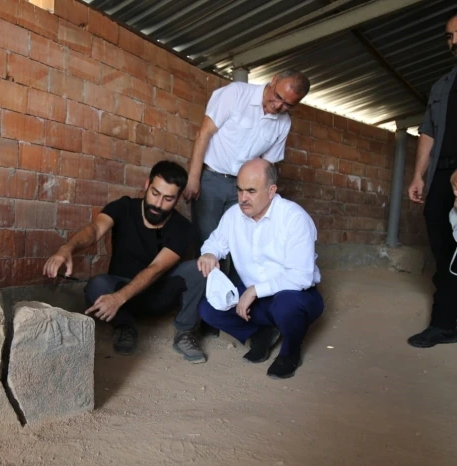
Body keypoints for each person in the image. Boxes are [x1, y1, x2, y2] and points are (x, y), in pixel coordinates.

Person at [43, 161, 207, 363]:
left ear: (177, 199)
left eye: (168, 199)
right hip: (121, 294)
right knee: (97, 285)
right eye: (155, 193)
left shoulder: (182, 227)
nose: (158, 204)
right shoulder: (124, 206)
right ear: (147, 185)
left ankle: (185, 332)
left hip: (158, 296)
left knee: (199, 268)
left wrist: (118, 298)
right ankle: (124, 326)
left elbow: (157, 268)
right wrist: (66, 248)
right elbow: (95, 229)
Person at [196, 159, 324, 379]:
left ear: (271, 190)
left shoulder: (294, 218)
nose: (243, 198)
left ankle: (289, 353)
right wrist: (209, 253)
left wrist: (254, 290)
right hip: (255, 300)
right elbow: (215, 242)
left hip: (294, 297)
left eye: (251, 191)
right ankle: (260, 334)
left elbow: (301, 277)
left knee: (287, 306)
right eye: (240, 190)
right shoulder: (234, 215)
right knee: (208, 309)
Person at [183, 69, 311, 248]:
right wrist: (194, 178)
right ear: (273, 80)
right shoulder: (236, 93)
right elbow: (204, 133)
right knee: (208, 242)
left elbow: (268, 165)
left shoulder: (284, 123)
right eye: (277, 96)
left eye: (287, 105)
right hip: (211, 180)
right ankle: (208, 277)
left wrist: (263, 197)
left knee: (239, 243)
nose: (278, 106)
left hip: (244, 189)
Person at [406, 11, 457, 348]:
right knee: (444, 249)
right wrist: (418, 175)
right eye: (449, 37)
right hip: (441, 173)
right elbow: (428, 131)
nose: (453, 42)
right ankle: (445, 322)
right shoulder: (442, 84)